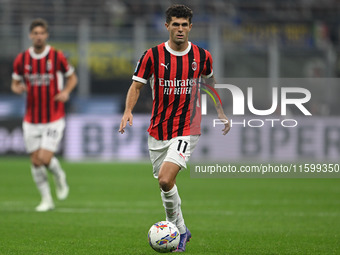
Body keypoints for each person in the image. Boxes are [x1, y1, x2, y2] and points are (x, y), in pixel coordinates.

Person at [119, 4, 230, 252]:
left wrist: (220, 111)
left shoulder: (202, 56)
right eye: (175, 24)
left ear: (190, 27)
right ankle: (182, 229)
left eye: (184, 25)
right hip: (158, 130)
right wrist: (128, 111)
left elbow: (210, 83)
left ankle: (176, 232)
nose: (180, 29)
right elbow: (136, 86)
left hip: (188, 127)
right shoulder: (152, 56)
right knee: (163, 182)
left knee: (166, 179)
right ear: (167, 26)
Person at [11, 18, 78, 212]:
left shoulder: (57, 57)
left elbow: (72, 77)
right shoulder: (22, 59)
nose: (38, 36)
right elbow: (14, 83)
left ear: (46, 35)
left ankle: (59, 176)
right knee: (35, 161)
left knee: (45, 158)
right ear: (30, 36)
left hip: (53, 117)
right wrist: (17, 88)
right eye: (35, 33)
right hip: (31, 118)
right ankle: (46, 200)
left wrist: (66, 91)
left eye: (42, 33)